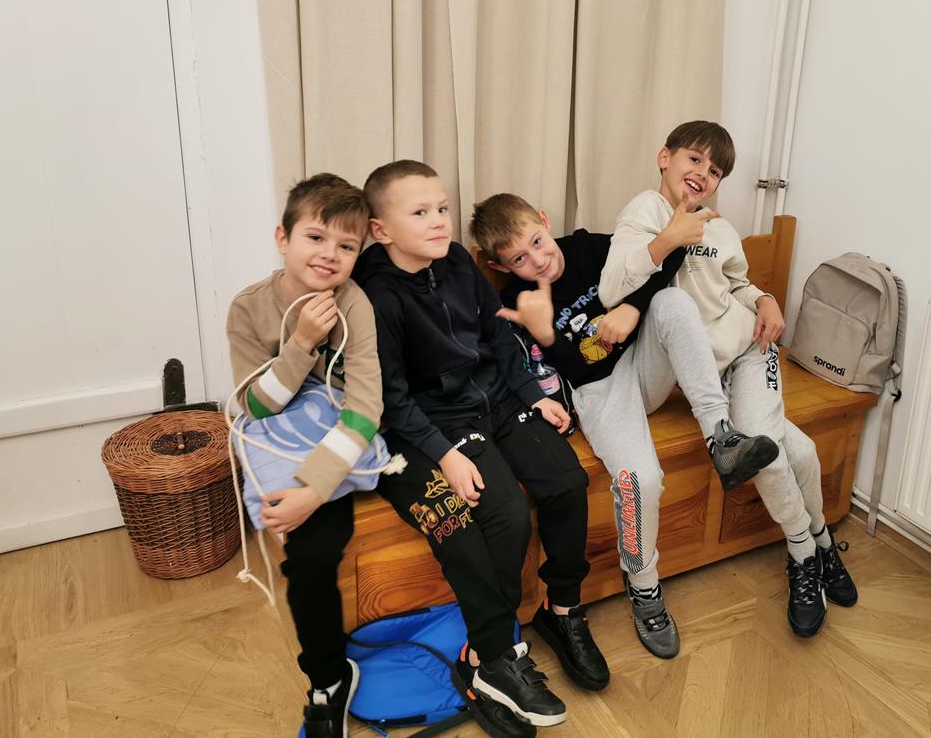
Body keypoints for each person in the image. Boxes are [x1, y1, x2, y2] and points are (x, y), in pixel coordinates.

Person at [352, 160, 606, 733]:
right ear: (380, 229)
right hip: (439, 421)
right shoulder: (375, 296)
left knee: (567, 481)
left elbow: (498, 335)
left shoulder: (457, 261)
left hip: (496, 398)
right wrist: (445, 453)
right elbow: (391, 398)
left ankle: (561, 609)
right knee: (505, 514)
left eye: (442, 208)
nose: (438, 221)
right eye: (420, 212)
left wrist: (532, 394)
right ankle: (494, 652)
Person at [471, 194, 776, 659]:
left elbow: (671, 255)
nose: (537, 259)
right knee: (640, 481)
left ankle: (722, 436)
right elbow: (574, 367)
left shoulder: (588, 248)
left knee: (671, 301)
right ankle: (643, 584)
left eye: (536, 241)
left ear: (545, 221)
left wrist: (632, 307)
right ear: (499, 265)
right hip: (599, 392)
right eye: (519, 259)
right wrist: (548, 333)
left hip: (646, 361)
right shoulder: (516, 302)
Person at [598, 121, 860, 640]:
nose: (703, 174)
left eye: (715, 170)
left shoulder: (719, 228)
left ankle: (806, 555)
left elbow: (737, 284)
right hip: (704, 373)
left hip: (749, 351)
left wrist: (765, 299)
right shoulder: (645, 211)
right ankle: (815, 544)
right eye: (694, 159)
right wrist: (669, 238)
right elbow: (612, 289)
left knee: (769, 444)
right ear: (665, 157)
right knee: (789, 446)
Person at [226, 173, 387, 737]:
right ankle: (328, 677)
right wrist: (300, 345)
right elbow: (254, 405)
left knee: (323, 541)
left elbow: (365, 406)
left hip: (340, 441)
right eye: (315, 238)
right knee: (310, 558)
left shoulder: (356, 303)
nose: (329, 255)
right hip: (282, 433)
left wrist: (315, 490)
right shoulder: (249, 308)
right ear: (283, 237)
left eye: (346, 246)